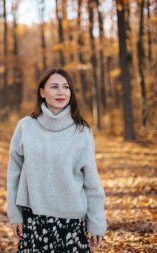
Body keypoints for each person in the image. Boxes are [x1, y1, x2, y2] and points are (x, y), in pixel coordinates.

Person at [6, 68, 107, 252]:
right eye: (54, 87)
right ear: (42, 92)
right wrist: (15, 215)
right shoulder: (26, 127)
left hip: (72, 224)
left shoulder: (82, 131)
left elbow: (91, 181)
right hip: (34, 222)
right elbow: (14, 174)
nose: (61, 92)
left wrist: (97, 221)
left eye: (65, 87)